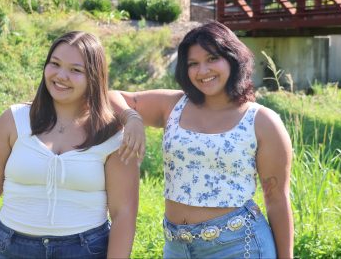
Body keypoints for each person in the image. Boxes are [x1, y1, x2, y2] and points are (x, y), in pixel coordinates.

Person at [111, 20, 294, 258]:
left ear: (232, 58)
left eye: (212, 59)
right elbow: (110, 97)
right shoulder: (173, 105)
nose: (203, 71)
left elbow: (276, 197)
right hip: (177, 247)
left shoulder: (261, 121)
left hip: (239, 246)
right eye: (193, 64)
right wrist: (132, 118)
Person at [0, 31, 140, 259]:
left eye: (75, 70)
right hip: (10, 248)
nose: (61, 75)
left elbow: (123, 214)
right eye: (55, 64)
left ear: (94, 77)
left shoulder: (112, 135)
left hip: (85, 250)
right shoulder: (14, 120)